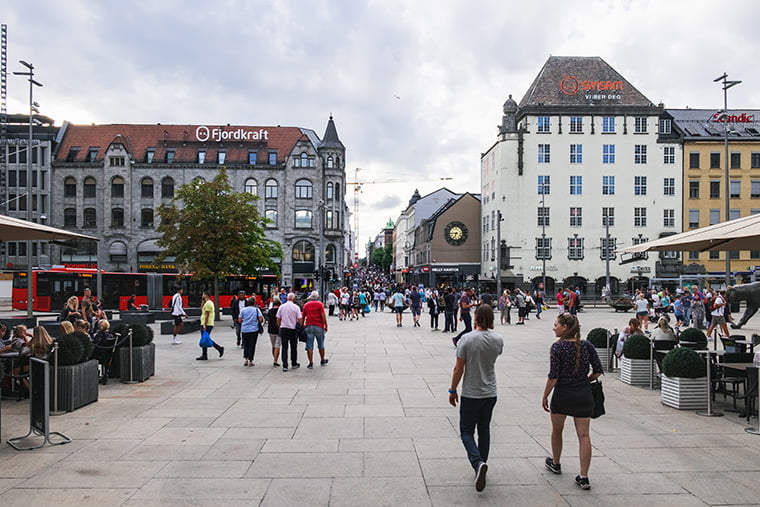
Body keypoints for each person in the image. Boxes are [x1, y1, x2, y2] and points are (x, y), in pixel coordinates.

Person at [542, 313, 603, 491]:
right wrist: (585, 380)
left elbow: (553, 376)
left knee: (557, 431)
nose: (553, 328)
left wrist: (545, 395)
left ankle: (556, 462)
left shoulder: (557, 347)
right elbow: (598, 370)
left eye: (555, 325)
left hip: (562, 394)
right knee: (584, 436)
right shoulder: (587, 345)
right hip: (583, 394)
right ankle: (583, 476)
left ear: (564, 328)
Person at [448, 304, 503, 492]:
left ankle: (478, 463)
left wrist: (452, 389)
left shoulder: (467, 339)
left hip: (471, 392)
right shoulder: (498, 339)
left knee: (466, 431)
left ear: (476, 317)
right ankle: (482, 464)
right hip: (490, 391)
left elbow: (458, 368)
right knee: (484, 429)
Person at [276, 292, 302, 371]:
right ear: (293, 299)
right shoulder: (296, 307)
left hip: (284, 328)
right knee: (293, 347)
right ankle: (294, 363)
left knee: (284, 347)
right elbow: (300, 319)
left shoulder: (282, 307)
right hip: (293, 329)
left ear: (287, 298)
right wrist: (300, 326)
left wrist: (280, 326)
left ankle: (285, 365)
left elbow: (278, 318)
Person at [303, 290, 329, 368]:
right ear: (317, 297)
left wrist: (302, 326)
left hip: (309, 325)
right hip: (318, 325)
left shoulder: (306, 305)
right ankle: (322, 359)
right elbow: (323, 315)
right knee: (320, 344)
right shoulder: (320, 304)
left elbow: (303, 315)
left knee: (309, 345)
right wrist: (325, 325)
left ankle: (310, 362)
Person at [197, 291, 224, 360]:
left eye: (203, 294)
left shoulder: (209, 303)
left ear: (206, 295)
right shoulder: (206, 303)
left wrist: (204, 324)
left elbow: (207, 315)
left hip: (207, 324)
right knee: (205, 338)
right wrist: (202, 301)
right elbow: (202, 309)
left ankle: (218, 349)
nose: (202, 295)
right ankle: (206, 354)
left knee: (205, 339)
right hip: (205, 323)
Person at [238, 297, 264, 367]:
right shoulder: (256, 310)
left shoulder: (243, 310)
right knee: (252, 345)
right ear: (254, 303)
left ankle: (245, 359)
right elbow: (261, 319)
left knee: (246, 344)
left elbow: (239, 320)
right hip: (254, 329)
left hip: (245, 329)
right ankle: (251, 360)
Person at [267, 299, 282, 367]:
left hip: (271, 330)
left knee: (273, 345)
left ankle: (274, 358)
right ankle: (275, 360)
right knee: (277, 345)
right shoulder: (280, 311)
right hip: (278, 329)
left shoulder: (270, 311)